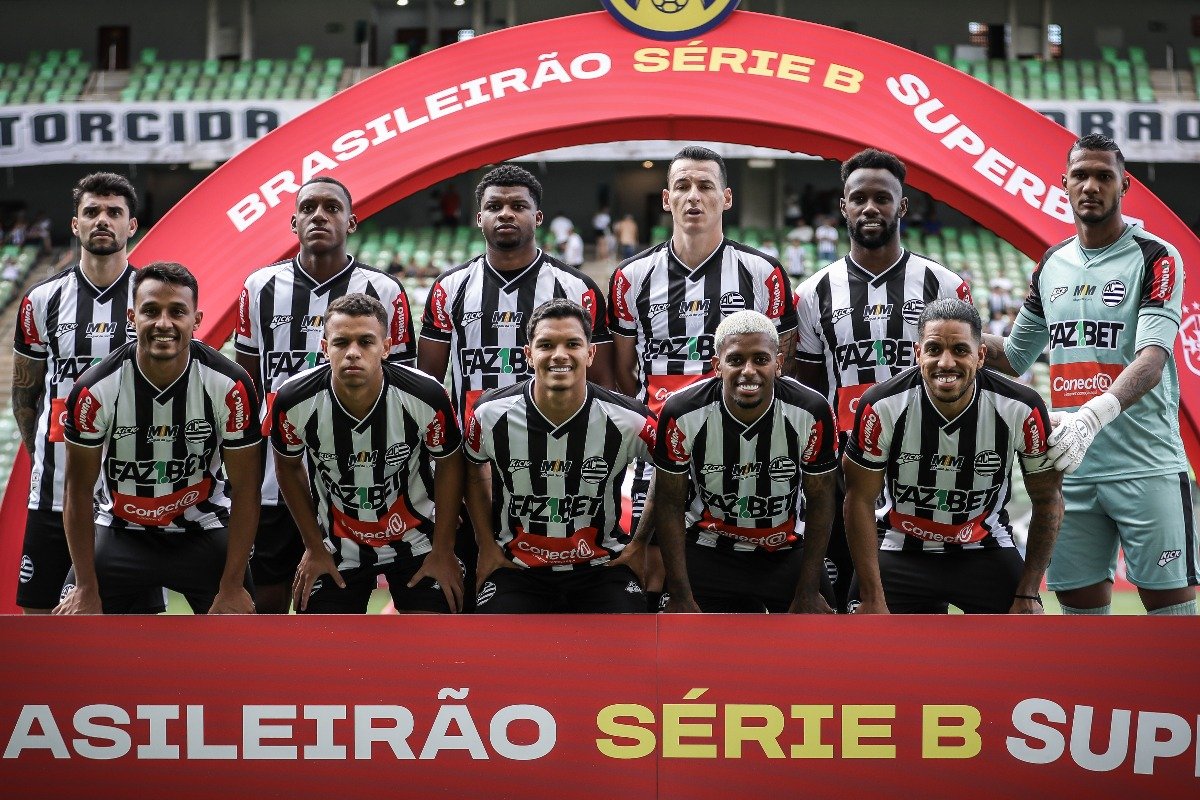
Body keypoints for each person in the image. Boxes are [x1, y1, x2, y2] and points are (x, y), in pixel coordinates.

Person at [984, 133, 1196, 616]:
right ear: (1064, 184)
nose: (1091, 186)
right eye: (1081, 175)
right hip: (1072, 470)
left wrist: (1090, 417)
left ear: (1125, 186)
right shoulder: (1051, 264)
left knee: (1173, 620)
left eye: (1104, 176)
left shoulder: (1155, 256)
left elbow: (1153, 357)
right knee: (1081, 620)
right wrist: (961, 342)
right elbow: (1015, 355)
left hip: (1147, 464)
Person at [609, 145, 799, 610]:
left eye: (705, 186)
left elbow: (782, 363)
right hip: (658, 442)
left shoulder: (762, 273)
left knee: (743, 557)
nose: (694, 197)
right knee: (650, 566)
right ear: (666, 199)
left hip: (740, 439)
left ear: (727, 198)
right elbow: (618, 372)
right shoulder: (631, 277)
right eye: (683, 186)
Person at [418, 164, 613, 608]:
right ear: (478, 217)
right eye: (495, 206)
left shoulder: (576, 287)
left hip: (560, 466)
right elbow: (428, 390)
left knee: (567, 592)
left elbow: (604, 388)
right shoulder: (450, 288)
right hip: (474, 466)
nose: (506, 213)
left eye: (518, 205)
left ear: (538, 217)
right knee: (474, 596)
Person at [793, 147, 971, 612]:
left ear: (902, 205)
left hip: (923, 463)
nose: (870, 207)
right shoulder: (814, 292)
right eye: (859, 198)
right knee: (846, 598)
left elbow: (969, 378)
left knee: (919, 601)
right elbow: (809, 392)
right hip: (844, 469)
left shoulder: (943, 286)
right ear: (843, 206)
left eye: (882, 197)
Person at [235, 176, 416, 614]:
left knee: (342, 593)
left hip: (356, 471)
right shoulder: (259, 287)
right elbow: (245, 383)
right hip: (277, 476)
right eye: (309, 207)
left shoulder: (384, 292)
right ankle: (275, 677)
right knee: (270, 587)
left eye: (332, 208)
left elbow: (403, 388)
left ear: (352, 221)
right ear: (293, 221)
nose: (320, 215)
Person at [55, 262, 261, 614]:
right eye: (151, 311)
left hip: (203, 529)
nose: (163, 323)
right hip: (121, 531)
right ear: (133, 317)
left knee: (242, 644)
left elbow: (245, 489)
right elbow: (77, 490)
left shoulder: (230, 385)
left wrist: (231, 586)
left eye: (177, 311)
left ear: (196, 320)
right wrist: (87, 587)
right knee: (74, 635)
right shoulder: (94, 389)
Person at [844, 299, 1062, 614]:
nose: (946, 363)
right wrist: (873, 597)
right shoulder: (882, 405)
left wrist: (1027, 594)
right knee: (864, 642)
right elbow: (859, 499)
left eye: (960, 350)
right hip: (899, 545)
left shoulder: (1021, 407)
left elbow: (1049, 499)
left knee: (1025, 644)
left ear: (981, 355)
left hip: (984, 547)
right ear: (918, 354)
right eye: (934, 349)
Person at [11, 172, 164, 615]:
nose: (103, 220)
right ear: (74, 225)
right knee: (38, 621)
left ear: (131, 225)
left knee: (136, 630)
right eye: (91, 211)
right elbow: (26, 397)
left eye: (114, 212)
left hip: (132, 496)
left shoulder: (153, 300)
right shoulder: (42, 299)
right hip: (55, 494)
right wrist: (47, 455)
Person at [271, 294, 464, 614]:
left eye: (366, 342)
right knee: (324, 653)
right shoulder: (293, 399)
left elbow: (450, 464)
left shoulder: (425, 394)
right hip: (336, 547)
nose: (352, 353)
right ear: (324, 347)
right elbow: (288, 468)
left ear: (386, 347)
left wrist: (443, 550)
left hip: (418, 544)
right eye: (341, 342)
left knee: (434, 648)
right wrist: (313, 547)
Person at [465, 299, 655, 613]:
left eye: (572, 344)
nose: (559, 355)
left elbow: (672, 468)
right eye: (546, 345)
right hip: (518, 569)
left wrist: (640, 543)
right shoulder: (489, 414)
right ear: (529, 354)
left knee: (630, 649)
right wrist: (485, 544)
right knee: (495, 649)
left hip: (602, 569)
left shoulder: (629, 418)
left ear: (590, 353)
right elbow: (471, 471)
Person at [650, 310, 838, 612]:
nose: (748, 370)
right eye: (736, 360)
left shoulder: (811, 409)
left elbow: (821, 499)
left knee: (824, 646)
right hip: (708, 548)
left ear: (778, 364)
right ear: (717, 366)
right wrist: (681, 594)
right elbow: (670, 501)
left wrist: (808, 589)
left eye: (761, 359)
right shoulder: (682, 410)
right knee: (681, 647)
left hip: (784, 550)